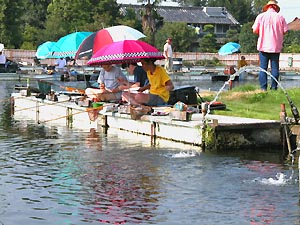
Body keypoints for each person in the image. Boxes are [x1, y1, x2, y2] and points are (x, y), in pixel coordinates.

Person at [252, 0, 288, 91]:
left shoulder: (260, 16)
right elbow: (285, 31)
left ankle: (263, 88)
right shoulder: (281, 17)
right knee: (275, 68)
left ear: (267, 7)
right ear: (275, 7)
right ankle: (274, 88)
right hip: (275, 46)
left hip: (263, 46)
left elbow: (255, 30)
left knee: (263, 68)